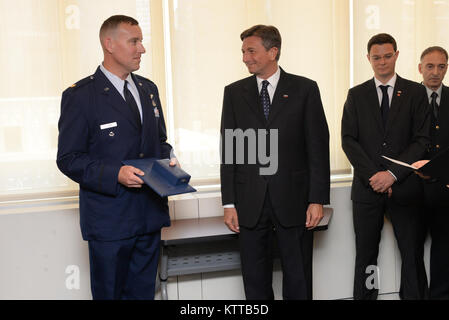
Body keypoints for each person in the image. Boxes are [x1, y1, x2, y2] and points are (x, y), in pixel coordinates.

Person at [56, 15, 176, 300]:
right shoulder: (81, 96)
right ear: (109, 44)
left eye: (142, 42)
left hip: (149, 215)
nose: (142, 49)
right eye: (134, 41)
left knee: (144, 295)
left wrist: (170, 160)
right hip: (110, 222)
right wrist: (115, 174)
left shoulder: (148, 89)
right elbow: (68, 158)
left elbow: (159, 142)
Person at [220, 25, 330, 300]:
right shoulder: (234, 93)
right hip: (249, 201)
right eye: (243, 51)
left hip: (294, 199)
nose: (245, 57)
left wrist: (317, 199)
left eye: (251, 51)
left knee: (298, 277)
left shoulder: (305, 89)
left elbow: (317, 147)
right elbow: (231, 150)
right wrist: (229, 202)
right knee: (254, 281)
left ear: (273, 51)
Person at [341, 33, 431, 300]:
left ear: (397, 55)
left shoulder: (415, 92)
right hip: (367, 190)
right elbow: (349, 140)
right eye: (376, 57)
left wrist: (393, 175)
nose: (382, 62)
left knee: (411, 252)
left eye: (387, 56)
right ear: (368, 58)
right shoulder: (356, 95)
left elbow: (422, 140)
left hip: (405, 187)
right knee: (367, 254)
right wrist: (374, 176)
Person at [412, 46, 449, 299]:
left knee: (444, 248)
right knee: (411, 248)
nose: (435, 72)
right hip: (412, 187)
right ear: (420, 68)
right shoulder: (408, 97)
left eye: (441, 66)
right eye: (430, 66)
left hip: (445, 189)